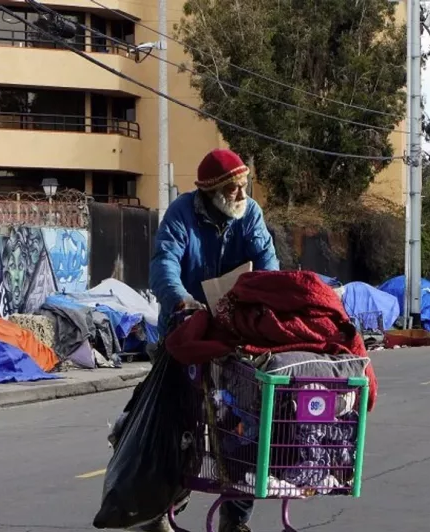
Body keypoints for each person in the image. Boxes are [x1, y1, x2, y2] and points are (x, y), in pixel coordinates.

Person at [147, 148, 279, 532]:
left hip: (237, 333)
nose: (241, 195)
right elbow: (164, 262)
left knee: (244, 426)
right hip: (187, 327)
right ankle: (159, 507)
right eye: (234, 189)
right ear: (212, 192)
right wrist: (181, 300)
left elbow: (267, 261)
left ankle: (235, 519)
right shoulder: (181, 213)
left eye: (243, 187)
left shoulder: (249, 213)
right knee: (177, 424)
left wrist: (267, 297)